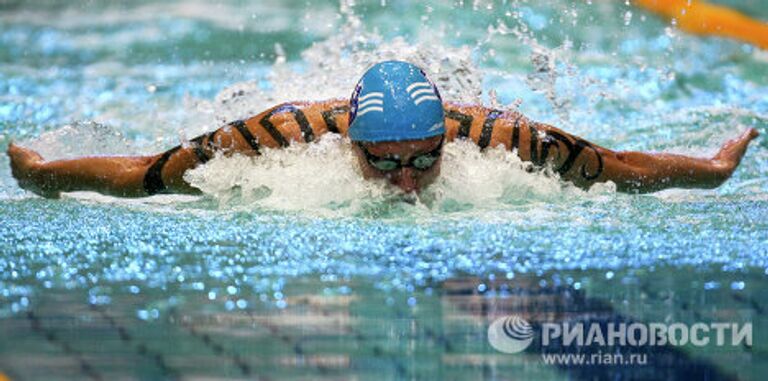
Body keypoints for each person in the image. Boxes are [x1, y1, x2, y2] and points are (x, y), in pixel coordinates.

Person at [6, 60, 760, 199]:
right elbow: (147, 173)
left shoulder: (500, 136)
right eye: (385, 163)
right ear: (349, 144)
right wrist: (46, 173)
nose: (406, 181)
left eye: (424, 161)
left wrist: (711, 168)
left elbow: (618, 166)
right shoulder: (283, 134)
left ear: (448, 140)